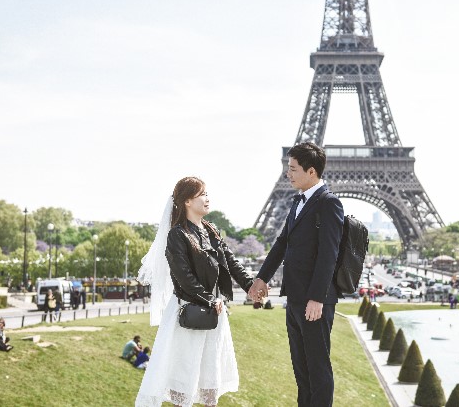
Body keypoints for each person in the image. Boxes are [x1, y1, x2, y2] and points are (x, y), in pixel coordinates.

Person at [135, 176, 254, 407]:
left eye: (207, 193)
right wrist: (210, 299)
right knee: (185, 375)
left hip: (213, 313)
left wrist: (250, 285)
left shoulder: (211, 229)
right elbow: (184, 277)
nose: (207, 198)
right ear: (187, 201)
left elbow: (230, 261)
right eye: (202, 194)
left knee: (211, 375)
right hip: (189, 313)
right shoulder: (177, 235)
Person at [249, 142, 344, 407]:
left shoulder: (329, 203)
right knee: (301, 370)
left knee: (318, 369)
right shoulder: (297, 201)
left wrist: (317, 298)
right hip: (295, 298)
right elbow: (282, 243)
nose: (287, 173)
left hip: (314, 302)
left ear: (311, 171)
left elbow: (329, 255)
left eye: (293, 169)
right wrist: (261, 278)